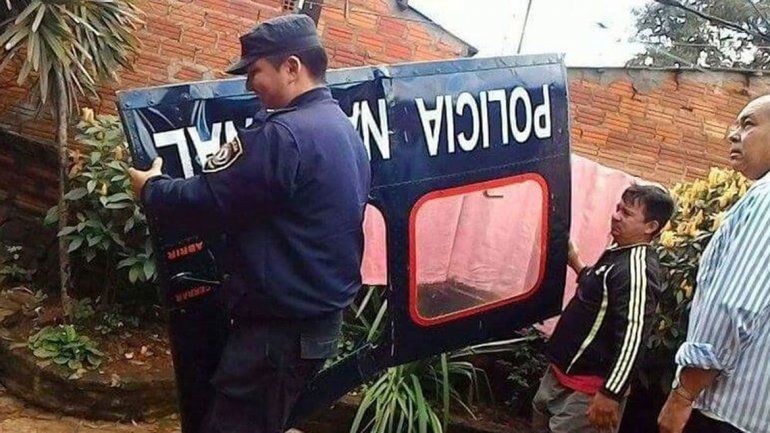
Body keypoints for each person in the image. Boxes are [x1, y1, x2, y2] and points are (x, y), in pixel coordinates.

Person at [128, 14, 371, 433]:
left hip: (277, 337)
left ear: (291, 67)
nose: (248, 84)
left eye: (255, 71)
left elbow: (209, 200)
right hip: (312, 329)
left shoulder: (285, 135)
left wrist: (152, 188)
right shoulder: (343, 131)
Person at [658, 95, 770, 433]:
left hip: (723, 412)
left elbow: (735, 306)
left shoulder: (765, 199)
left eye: (747, 124)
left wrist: (683, 394)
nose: (732, 134)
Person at [532, 184, 675, 433]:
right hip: (560, 377)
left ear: (650, 227)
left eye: (626, 213)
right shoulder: (619, 253)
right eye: (618, 208)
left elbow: (633, 336)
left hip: (588, 392)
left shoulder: (636, 270)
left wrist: (611, 393)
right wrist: (575, 260)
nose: (616, 216)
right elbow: (600, 293)